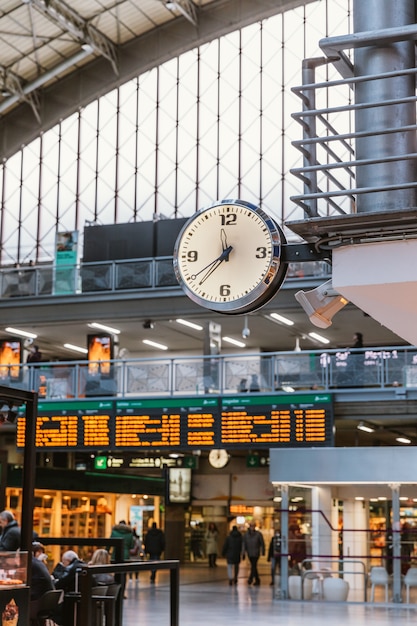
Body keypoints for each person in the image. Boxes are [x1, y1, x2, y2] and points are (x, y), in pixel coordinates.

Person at [30, 542, 56, 624]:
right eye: (39, 552)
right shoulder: (39, 564)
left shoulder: (33, 563)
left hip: (37, 605)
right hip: (46, 604)